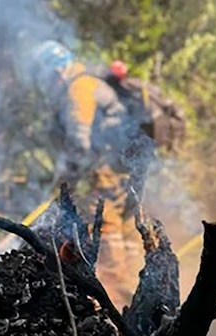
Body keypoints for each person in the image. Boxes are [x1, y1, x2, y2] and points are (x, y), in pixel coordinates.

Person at [30, 41, 157, 308]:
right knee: (122, 225)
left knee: (106, 223)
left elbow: (79, 140)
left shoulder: (80, 88)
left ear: (54, 71)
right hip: (122, 164)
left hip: (112, 165)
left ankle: (117, 292)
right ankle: (133, 285)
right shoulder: (84, 83)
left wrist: (66, 180)